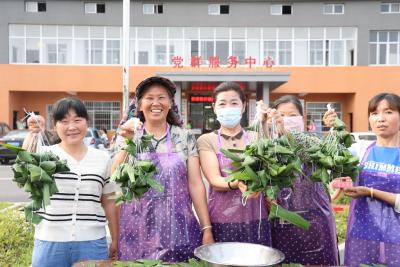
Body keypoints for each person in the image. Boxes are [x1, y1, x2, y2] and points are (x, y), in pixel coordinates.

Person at [112, 76, 214, 262]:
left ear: (170, 103)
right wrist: (127, 141)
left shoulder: (184, 137)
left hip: (178, 227)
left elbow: (196, 185)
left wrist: (206, 229)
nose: (156, 103)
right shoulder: (129, 135)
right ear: (140, 105)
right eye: (149, 98)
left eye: (162, 97)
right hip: (138, 227)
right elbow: (115, 177)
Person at [23, 98, 118, 267]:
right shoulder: (45, 154)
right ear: (55, 125)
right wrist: (33, 132)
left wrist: (116, 238)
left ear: (87, 122)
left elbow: (109, 202)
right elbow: (25, 161)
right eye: (64, 121)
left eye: (77, 120)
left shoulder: (102, 159)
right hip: (49, 242)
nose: (71, 127)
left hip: (91, 242)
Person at [258, 95, 339, 265]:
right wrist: (263, 125)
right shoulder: (270, 145)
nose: (287, 119)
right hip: (282, 220)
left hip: (317, 221)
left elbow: (314, 154)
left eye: (293, 115)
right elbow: (260, 168)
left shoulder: (313, 140)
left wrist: (286, 133)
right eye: (282, 115)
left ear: (302, 118)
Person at [325, 93, 400, 267]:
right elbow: (335, 157)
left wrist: (370, 192)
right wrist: (334, 127)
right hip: (361, 234)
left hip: (396, 238)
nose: (380, 119)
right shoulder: (361, 150)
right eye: (374, 113)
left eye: (388, 112)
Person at [197, 82, 271, 245]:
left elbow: (269, 169)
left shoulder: (255, 137)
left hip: (256, 217)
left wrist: (264, 123)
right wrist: (238, 182)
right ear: (214, 107)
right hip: (222, 219)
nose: (228, 108)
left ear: (243, 106)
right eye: (222, 103)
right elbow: (215, 181)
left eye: (234, 103)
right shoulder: (207, 140)